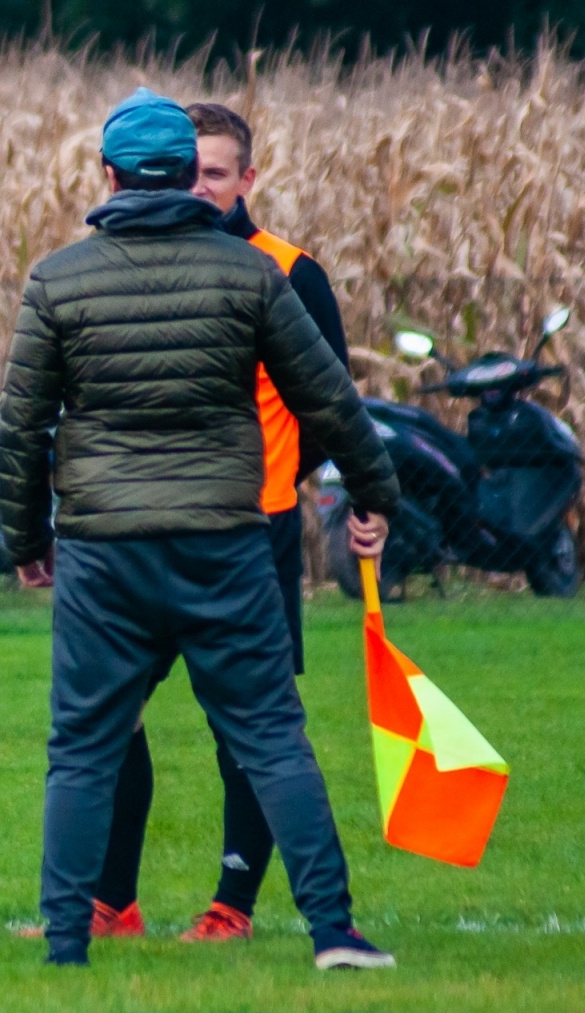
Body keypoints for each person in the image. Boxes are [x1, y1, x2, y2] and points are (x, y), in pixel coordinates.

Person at [0, 88, 400, 970]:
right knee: (269, 734)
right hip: (226, 542)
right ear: (188, 176)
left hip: (104, 553)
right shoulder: (251, 273)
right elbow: (328, 398)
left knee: (83, 749)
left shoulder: (58, 278)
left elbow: (21, 426)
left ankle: (68, 943)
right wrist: (377, 493)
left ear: (107, 176)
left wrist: (27, 541)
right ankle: (334, 932)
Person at [89, 102, 358, 944]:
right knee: (113, 714)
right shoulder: (127, 261)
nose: (198, 186)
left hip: (252, 537)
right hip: (138, 533)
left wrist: (281, 477)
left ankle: (231, 906)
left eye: (216, 172)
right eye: (187, 170)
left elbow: (331, 402)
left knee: (244, 725)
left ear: (249, 178)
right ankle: (110, 904)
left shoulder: (288, 271)